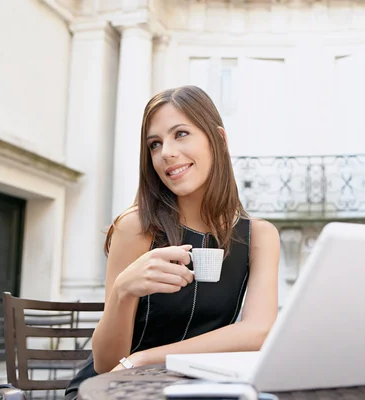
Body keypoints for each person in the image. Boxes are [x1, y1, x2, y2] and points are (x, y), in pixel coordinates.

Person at [65, 85, 280, 399]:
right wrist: (124, 290)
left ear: (218, 139)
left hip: (195, 388)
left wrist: (145, 358)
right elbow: (108, 363)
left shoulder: (259, 236)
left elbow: (258, 332)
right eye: (155, 144)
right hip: (115, 390)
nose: (165, 152)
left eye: (180, 134)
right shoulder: (136, 227)